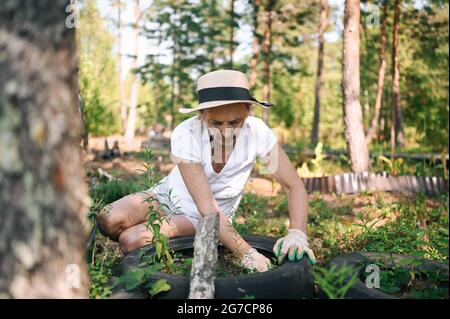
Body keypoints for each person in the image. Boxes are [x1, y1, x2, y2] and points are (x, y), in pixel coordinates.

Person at [97, 70, 316, 272]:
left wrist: (297, 232)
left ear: (249, 111)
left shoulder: (258, 133)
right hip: (170, 195)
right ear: (202, 115)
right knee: (108, 218)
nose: (226, 130)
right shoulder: (186, 133)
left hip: (200, 216)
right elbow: (206, 205)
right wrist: (246, 252)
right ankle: (191, 240)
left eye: (235, 121)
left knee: (131, 240)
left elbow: (293, 185)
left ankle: (204, 237)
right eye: (216, 122)